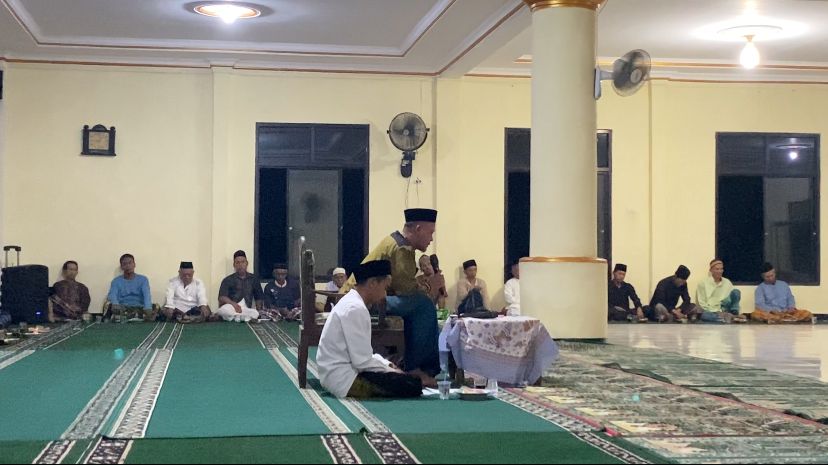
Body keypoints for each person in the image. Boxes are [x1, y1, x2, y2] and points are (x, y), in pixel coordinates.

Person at [341, 208, 443, 382]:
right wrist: (429, 287)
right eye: (430, 233)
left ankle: (414, 364)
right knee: (423, 306)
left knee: (420, 305)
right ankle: (416, 369)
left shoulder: (398, 243)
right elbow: (407, 290)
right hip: (362, 300)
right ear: (418, 229)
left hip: (363, 297)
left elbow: (402, 285)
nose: (431, 239)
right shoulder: (401, 248)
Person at [317, 260, 425, 399]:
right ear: (373, 283)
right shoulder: (355, 308)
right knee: (412, 385)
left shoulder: (353, 302)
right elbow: (362, 362)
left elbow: (363, 354)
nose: (385, 294)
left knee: (400, 374)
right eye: (384, 287)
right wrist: (392, 371)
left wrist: (388, 364)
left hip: (340, 373)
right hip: (345, 379)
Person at [217, 250, 263, 323]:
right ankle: (241, 317)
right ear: (234, 265)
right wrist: (233, 304)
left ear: (247, 263)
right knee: (223, 310)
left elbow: (259, 297)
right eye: (237, 262)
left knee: (255, 313)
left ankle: (238, 317)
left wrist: (259, 311)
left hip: (245, 309)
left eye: (242, 262)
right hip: (232, 308)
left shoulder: (253, 279)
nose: (240, 265)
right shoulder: (228, 279)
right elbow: (221, 297)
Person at [107, 254, 155, 322]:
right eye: (125, 264)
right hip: (123, 308)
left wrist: (148, 308)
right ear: (122, 267)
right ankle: (133, 317)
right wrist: (115, 304)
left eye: (130, 263)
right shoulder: (116, 281)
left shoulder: (143, 279)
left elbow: (147, 295)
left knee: (156, 307)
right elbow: (112, 295)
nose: (128, 266)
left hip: (139, 307)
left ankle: (135, 316)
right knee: (109, 306)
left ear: (134, 264)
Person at [696, 259, 744, 324]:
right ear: (711, 270)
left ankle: (732, 315)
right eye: (717, 269)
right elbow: (702, 303)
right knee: (705, 315)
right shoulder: (703, 283)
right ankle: (731, 318)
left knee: (736, 292)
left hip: (726, 309)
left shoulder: (727, 282)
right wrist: (717, 312)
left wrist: (727, 311)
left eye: (721, 269)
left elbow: (732, 300)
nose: (720, 271)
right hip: (712, 311)